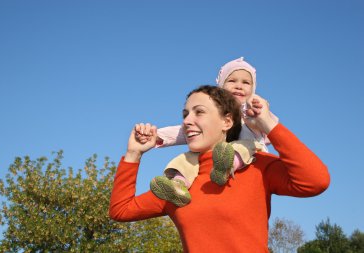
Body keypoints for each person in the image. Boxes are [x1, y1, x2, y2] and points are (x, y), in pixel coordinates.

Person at [109, 85, 330, 252]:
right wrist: (133, 154)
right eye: (185, 114)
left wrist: (268, 123)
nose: (187, 121)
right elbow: (121, 210)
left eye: (199, 112)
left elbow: (315, 181)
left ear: (227, 122)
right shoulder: (178, 185)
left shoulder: (256, 166)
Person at [139, 57, 278, 207]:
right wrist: (157, 136)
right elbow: (185, 130)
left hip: (251, 161)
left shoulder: (252, 111)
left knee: (245, 145)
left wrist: (260, 112)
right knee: (190, 156)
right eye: (232, 81)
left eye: (246, 82)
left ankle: (227, 165)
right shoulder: (212, 114)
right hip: (216, 165)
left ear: (253, 88)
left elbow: (272, 126)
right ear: (221, 86)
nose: (239, 86)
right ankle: (178, 185)